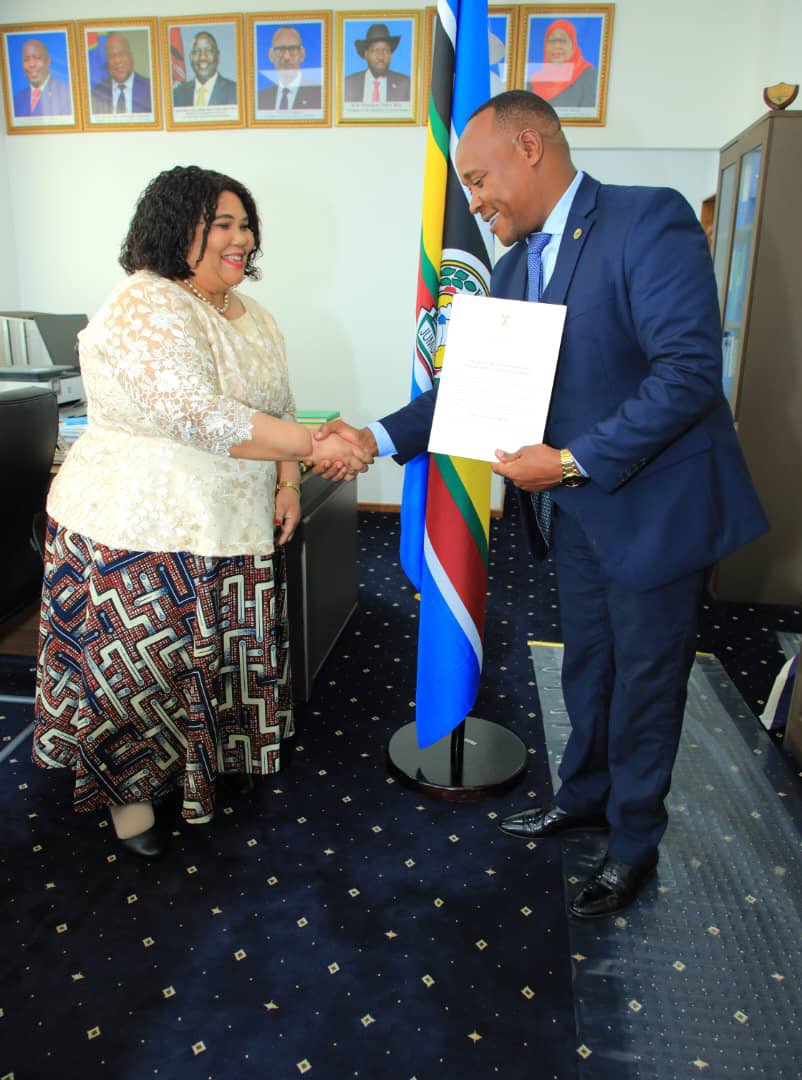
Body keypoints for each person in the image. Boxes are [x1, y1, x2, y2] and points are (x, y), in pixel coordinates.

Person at [314, 90, 768, 918]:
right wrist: (375, 437)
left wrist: (567, 460)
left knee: (646, 683)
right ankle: (584, 796)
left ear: (530, 148)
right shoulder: (518, 264)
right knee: (587, 666)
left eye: (480, 178)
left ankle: (632, 845)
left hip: (654, 510)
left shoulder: (648, 221)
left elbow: (689, 373)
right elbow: (471, 389)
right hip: (578, 518)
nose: (476, 200)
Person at [32, 166, 369, 860]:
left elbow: (276, 401)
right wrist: (315, 444)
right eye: (223, 223)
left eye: (246, 224)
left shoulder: (253, 315)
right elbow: (199, 414)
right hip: (140, 530)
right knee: (140, 674)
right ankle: (128, 799)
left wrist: (286, 478)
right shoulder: (145, 303)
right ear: (175, 225)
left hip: (231, 527)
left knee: (208, 665)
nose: (241, 238)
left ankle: (194, 780)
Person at [529, 20, 597, 108]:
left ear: (573, 46)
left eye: (563, 41)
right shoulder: (534, 82)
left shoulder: (587, 75)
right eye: (552, 41)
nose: (557, 46)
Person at [344, 23, 411, 104]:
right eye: (376, 50)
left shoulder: (406, 84)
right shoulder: (348, 84)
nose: (381, 57)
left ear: (390, 55)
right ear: (366, 54)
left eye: (385, 51)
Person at [258, 25, 322, 111]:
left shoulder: (319, 95)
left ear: (302, 54)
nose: (286, 57)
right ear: (271, 55)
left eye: (292, 49)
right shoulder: (261, 98)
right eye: (280, 50)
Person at [90, 32, 152, 115]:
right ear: (107, 62)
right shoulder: (97, 92)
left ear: (131, 57)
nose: (117, 61)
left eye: (122, 54)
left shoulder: (149, 89)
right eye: (112, 56)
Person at [173, 31, 237, 107]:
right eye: (197, 51)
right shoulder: (177, 94)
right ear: (190, 57)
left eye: (208, 50)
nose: (202, 57)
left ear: (217, 55)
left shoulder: (235, 92)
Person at [13, 38, 72, 117]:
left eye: (37, 57)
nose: (31, 64)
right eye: (26, 59)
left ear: (48, 60)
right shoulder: (16, 100)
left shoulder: (67, 95)